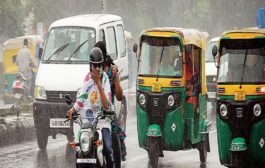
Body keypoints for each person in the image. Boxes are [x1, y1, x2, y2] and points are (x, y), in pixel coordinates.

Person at [66, 47, 114, 167]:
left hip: (102, 121)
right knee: (80, 149)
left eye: (100, 65)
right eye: (95, 65)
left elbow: (106, 104)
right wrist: (72, 110)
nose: (97, 68)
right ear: (90, 66)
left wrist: (98, 83)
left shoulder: (105, 79)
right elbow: (81, 99)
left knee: (108, 149)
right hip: (87, 123)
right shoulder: (87, 79)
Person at [94, 41, 127, 161]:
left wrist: (116, 79)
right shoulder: (91, 72)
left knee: (114, 132)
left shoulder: (111, 70)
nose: (96, 65)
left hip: (108, 109)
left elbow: (119, 96)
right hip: (93, 109)